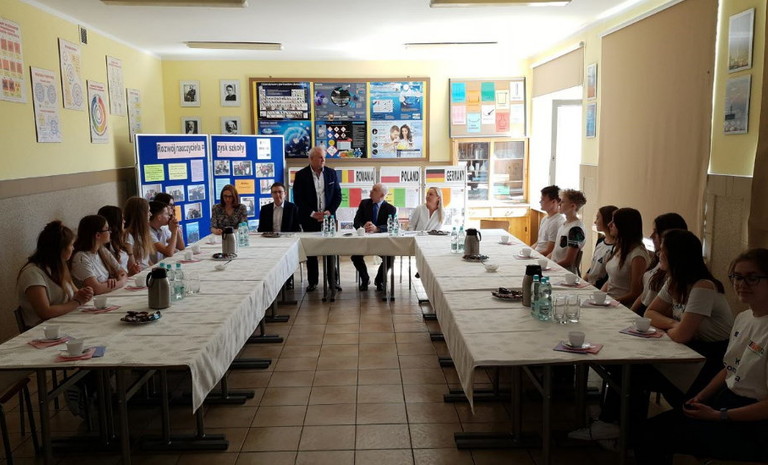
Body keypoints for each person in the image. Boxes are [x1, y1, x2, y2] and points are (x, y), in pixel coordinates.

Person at [637, 249, 768, 465]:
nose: (741, 284)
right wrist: (701, 397)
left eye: (752, 278)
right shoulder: (744, 318)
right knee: (649, 430)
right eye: (737, 277)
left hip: (753, 422)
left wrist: (719, 415)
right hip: (727, 401)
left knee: (653, 435)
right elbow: (729, 368)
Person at [645, 229, 733, 401]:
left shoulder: (703, 286)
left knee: (641, 375)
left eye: (663, 250)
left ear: (676, 255)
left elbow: (682, 335)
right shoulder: (674, 281)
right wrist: (674, 324)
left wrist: (676, 328)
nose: (659, 253)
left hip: (712, 356)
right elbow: (650, 313)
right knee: (635, 371)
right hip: (691, 348)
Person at [16, 221, 93, 327]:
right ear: (60, 249)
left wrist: (84, 293)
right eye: (71, 245)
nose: (73, 248)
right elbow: (45, 312)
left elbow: (75, 293)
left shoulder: (58, 267)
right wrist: (77, 302)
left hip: (64, 322)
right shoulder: (32, 273)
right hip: (44, 330)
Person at [293, 146, 342, 292]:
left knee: (331, 249)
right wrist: (312, 213)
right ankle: (313, 281)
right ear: (311, 159)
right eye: (320, 157)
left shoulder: (331, 173)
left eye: (324, 157)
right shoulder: (301, 175)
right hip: (309, 218)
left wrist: (329, 211)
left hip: (328, 218)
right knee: (312, 251)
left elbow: (338, 196)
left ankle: (333, 280)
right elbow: (298, 199)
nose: (323, 160)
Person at [630, 212, 688, 315]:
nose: (651, 236)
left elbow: (671, 309)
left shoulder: (674, 269)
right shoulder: (659, 260)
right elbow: (645, 294)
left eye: (656, 232)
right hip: (644, 310)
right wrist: (630, 313)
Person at [351, 183, 397, 292]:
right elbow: (356, 221)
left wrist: (377, 228)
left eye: (374, 190)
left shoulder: (391, 209)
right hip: (364, 241)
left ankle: (379, 280)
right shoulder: (364, 203)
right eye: (371, 189)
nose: (370, 192)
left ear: (381, 195)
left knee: (390, 258)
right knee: (355, 257)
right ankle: (365, 279)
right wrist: (362, 227)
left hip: (381, 243)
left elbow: (392, 226)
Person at [601, 208, 649, 306]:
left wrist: (610, 303)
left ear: (624, 226)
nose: (609, 225)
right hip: (610, 301)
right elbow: (611, 280)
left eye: (614, 222)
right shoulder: (619, 247)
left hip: (623, 306)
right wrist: (598, 297)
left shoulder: (638, 255)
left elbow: (635, 293)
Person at [71, 215, 128, 295]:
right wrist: (121, 282)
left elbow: (122, 271)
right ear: (98, 235)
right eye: (107, 229)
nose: (110, 232)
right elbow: (96, 289)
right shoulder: (81, 258)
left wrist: (116, 280)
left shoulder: (102, 250)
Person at [550, 188, 587, 273]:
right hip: (556, 268)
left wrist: (551, 268)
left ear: (573, 206)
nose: (559, 204)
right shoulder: (565, 224)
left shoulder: (576, 229)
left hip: (564, 272)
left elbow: (569, 261)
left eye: (562, 202)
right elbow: (555, 252)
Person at [97, 205, 140, 276]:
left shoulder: (118, 240)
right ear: (115, 222)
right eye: (122, 219)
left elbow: (129, 266)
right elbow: (113, 275)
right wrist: (130, 273)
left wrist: (134, 269)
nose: (124, 221)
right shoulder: (105, 247)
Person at [583, 205, 617, 289]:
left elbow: (609, 275)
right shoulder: (600, 241)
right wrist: (583, 280)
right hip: (590, 284)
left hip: (599, 288)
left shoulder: (616, 247)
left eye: (598, 218)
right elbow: (594, 266)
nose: (595, 222)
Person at [532, 185, 565, 256]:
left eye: (543, 200)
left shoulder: (556, 222)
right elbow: (538, 243)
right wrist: (528, 251)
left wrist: (532, 256)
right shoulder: (545, 218)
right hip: (537, 254)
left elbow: (549, 251)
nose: (540, 202)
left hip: (543, 258)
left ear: (553, 202)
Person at [123, 197, 154, 271]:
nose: (150, 214)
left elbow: (147, 261)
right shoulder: (128, 236)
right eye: (148, 211)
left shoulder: (142, 233)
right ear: (140, 215)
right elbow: (133, 267)